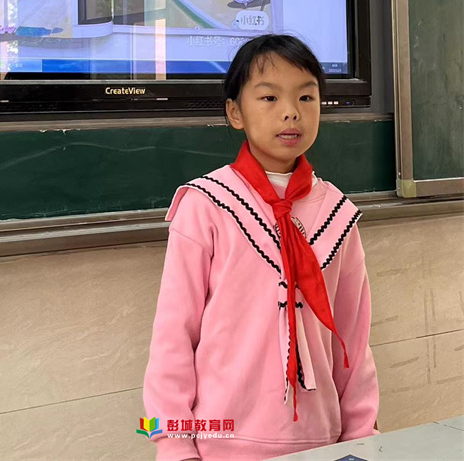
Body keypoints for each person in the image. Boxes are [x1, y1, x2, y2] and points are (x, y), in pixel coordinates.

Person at [143, 34, 379, 461]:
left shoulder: (337, 213)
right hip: (220, 441)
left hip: (321, 440)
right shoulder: (206, 204)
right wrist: (174, 445)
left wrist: (361, 437)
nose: (291, 111)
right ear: (235, 112)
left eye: (306, 97)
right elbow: (173, 337)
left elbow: (354, 339)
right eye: (269, 97)